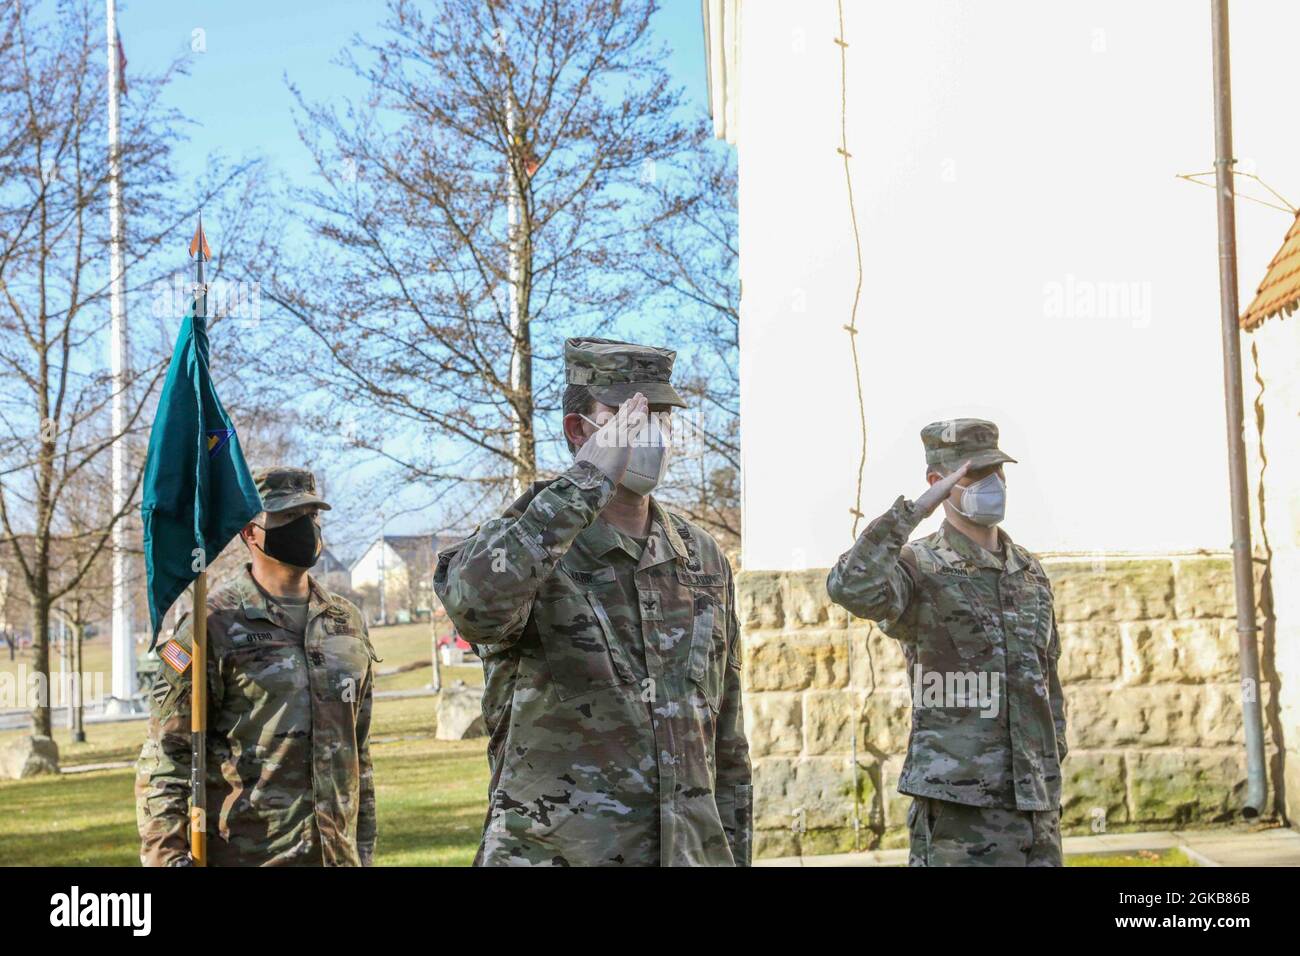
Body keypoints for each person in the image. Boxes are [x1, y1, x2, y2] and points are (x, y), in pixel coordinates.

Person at [434, 337, 752, 866]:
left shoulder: (701, 558)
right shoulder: (528, 539)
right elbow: (475, 608)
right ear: (579, 430)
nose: (651, 433)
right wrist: (588, 481)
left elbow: (727, 736)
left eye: (660, 416)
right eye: (628, 415)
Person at [826, 419, 1068, 866]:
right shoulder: (918, 566)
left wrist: (1052, 767)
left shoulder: (1029, 571)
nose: (993, 484)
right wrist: (911, 513)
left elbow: (1047, 681)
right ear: (940, 483)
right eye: (975, 475)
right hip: (958, 809)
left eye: (998, 471)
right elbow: (849, 587)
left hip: (1036, 806)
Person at [135, 466, 378, 866]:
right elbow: (166, 756)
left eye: (312, 516)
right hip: (248, 856)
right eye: (287, 518)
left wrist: (364, 849)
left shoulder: (345, 621)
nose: (305, 528)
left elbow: (359, 750)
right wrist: (168, 856)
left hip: (337, 856)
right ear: (249, 531)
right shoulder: (208, 626)